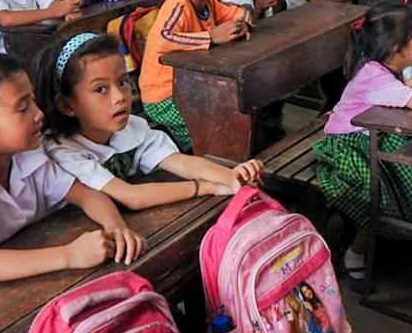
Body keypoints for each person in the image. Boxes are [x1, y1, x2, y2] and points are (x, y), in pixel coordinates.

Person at [0, 48, 140, 282]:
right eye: (23, 108)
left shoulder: (25, 152)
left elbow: (87, 195)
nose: (39, 114)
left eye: (32, 101)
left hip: (29, 261)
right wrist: (69, 255)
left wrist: (115, 227)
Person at [36, 33, 260, 208]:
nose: (119, 97)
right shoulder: (63, 151)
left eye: (122, 82)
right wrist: (206, 187)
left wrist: (231, 177)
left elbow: (180, 162)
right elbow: (131, 197)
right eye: (101, 89)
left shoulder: (129, 128)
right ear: (67, 105)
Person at [314, 2, 412, 277]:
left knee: (408, 158)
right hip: (346, 147)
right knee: (380, 190)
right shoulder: (374, 76)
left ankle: (410, 223)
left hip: (368, 136)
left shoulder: (390, 66)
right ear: (397, 49)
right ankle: (355, 253)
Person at [139, 0, 250, 151]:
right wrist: (211, 37)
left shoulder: (209, 2)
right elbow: (163, 37)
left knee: (233, 109)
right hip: (164, 95)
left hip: (189, 88)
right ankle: (195, 157)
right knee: (205, 129)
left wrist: (242, 23)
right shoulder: (178, 4)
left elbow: (238, 12)